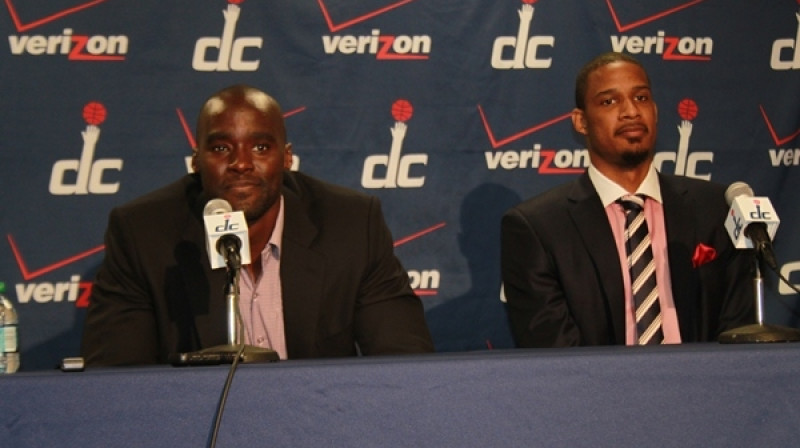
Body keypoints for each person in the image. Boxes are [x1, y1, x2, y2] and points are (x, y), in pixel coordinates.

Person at [81, 84, 434, 365]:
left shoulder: (351, 226)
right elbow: (117, 380)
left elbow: (404, 363)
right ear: (196, 161)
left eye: (261, 147)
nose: (241, 163)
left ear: (287, 157)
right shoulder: (143, 235)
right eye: (221, 149)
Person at [500, 52, 755, 348]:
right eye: (609, 101)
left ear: (655, 112)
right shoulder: (537, 228)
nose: (631, 111)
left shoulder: (716, 209)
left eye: (641, 98)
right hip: (595, 379)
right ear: (581, 121)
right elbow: (555, 353)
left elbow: (738, 330)